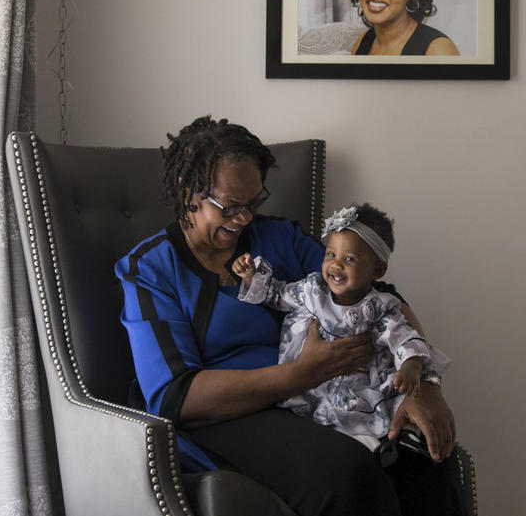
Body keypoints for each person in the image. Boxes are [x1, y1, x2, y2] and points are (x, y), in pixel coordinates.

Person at [116, 116, 461, 516]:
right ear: (187, 191)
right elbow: (175, 397)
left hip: (323, 397)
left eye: (254, 202)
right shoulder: (149, 269)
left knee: (424, 449)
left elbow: (381, 296)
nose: (244, 218)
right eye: (230, 206)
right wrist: (303, 373)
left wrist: (425, 388)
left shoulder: (280, 238)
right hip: (227, 417)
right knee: (347, 473)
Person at [231, 203, 451, 461]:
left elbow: (402, 336)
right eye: (330, 255)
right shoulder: (312, 289)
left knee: (364, 416)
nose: (336, 266)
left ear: (377, 270)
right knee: (316, 418)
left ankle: (382, 447)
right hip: (310, 383)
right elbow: (278, 294)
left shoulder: (377, 307)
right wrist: (251, 277)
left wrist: (411, 368)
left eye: (349, 259)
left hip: (356, 384)